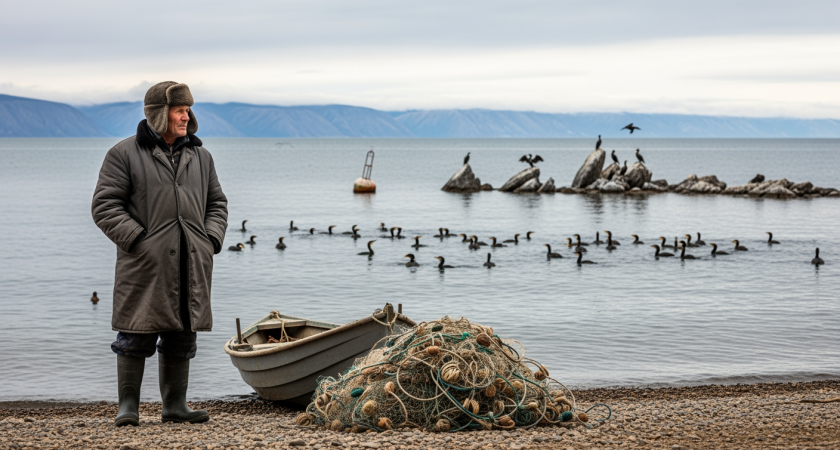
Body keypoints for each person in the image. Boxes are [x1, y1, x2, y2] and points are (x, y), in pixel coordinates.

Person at [91, 81, 228, 426]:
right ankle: (128, 407)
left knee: (182, 335)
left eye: (188, 110)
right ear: (158, 114)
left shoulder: (202, 157)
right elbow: (105, 206)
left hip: (191, 260)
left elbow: (217, 204)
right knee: (134, 334)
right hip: (144, 264)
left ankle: (175, 407)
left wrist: (209, 239)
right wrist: (140, 241)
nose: (187, 117)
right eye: (179, 110)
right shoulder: (123, 154)